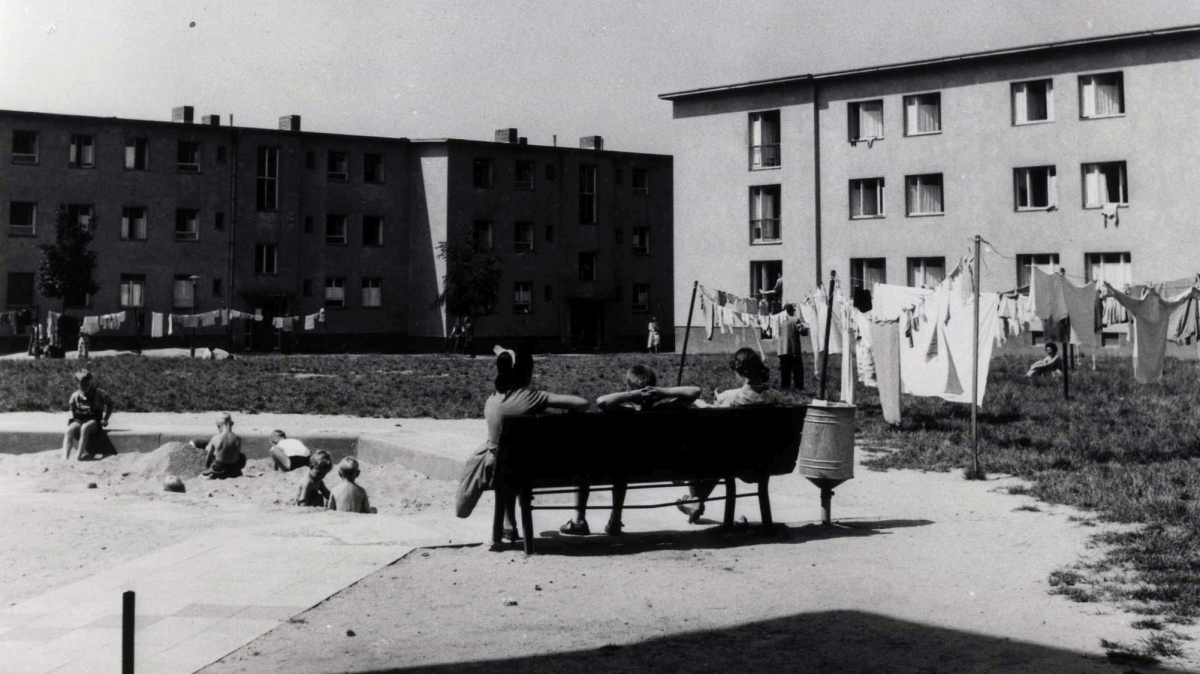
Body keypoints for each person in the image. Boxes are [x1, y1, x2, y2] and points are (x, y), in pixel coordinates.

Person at [456, 345, 590, 547]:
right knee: (516, 459)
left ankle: (509, 525)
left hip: (504, 472)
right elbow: (582, 403)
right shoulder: (534, 398)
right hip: (540, 469)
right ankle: (576, 518)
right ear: (526, 374)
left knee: (506, 459)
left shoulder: (491, 403)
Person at [560, 365, 702, 537]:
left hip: (620, 467)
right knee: (623, 466)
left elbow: (602, 401)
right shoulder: (663, 410)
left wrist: (632, 395)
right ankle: (615, 520)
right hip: (656, 467)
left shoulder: (624, 411)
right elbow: (695, 391)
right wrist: (662, 392)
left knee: (589, 463)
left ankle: (579, 520)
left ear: (628, 388)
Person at [677, 348, 779, 523]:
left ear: (740, 372)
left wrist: (698, 402)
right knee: (723, 455)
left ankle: (695, 501)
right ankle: (695, 502)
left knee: (707, 450)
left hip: (735, 460)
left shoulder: (733, 400)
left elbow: (713, 413)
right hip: (765, 458)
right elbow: (751, 394)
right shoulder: (772, 397)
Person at [62, 368, 115, 461]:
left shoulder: (99, 392)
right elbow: (72, 410)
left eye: (87, 384)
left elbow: (110, 404)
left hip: (94, 420)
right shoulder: (75, 395)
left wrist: (106, 419)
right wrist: (72, 418)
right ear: (78, 384)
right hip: (79, 419)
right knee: (69, 430)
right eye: (82, 385)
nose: (85, 387)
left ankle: (78, 456)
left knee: (85, 427)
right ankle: (65, 457)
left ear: (91, 382)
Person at [201, 412, 246, 479]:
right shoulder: (238, 439)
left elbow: (209, 455)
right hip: (233, 468)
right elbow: (237, 454)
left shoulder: (216, 438)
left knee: (212, 453)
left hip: (219, 468)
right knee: (242, 456)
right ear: (232, 424)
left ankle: (211, 470)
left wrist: (206, 466)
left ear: (219, 425)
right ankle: (235, 472)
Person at [779, 304, 806, 391]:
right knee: (797, 370)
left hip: (782, 350)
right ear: (791, 311)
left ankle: (785, 388)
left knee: (784, 371)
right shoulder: (795, 320)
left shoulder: (779, 320)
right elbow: (803, 332)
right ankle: (798, 387)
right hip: (794, 350)